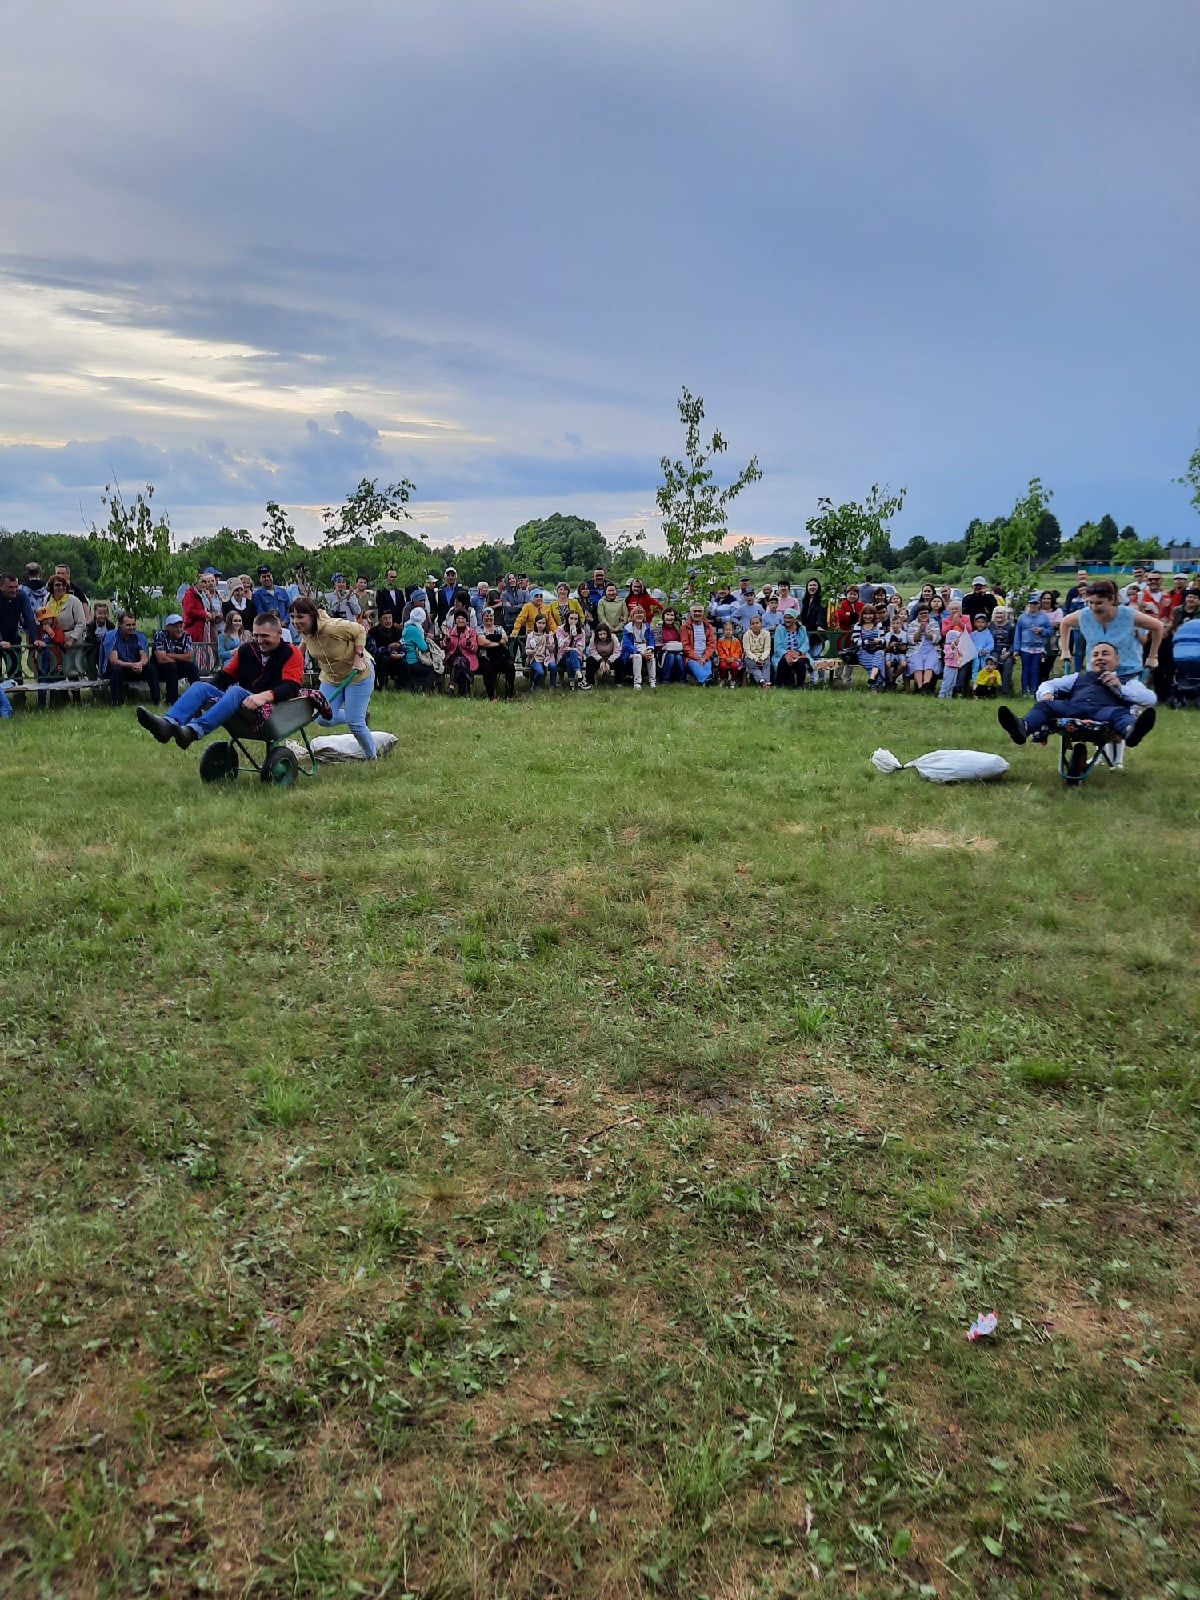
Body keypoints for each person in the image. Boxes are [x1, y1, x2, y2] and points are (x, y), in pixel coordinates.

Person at [136, 610, 302, 748]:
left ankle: (194, 731)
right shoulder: (246, 651)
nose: (259, 641)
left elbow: (291, 686)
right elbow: (224, 678)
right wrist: (202, 699)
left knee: (236, 691)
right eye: (256, 635)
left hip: (272, 705)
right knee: (200, 686)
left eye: (265, 636)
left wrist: (263, 697)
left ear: (279, 633)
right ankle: (167, 724)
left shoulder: (290, 653)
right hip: (244, 702)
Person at [997, 642, 1156, 748]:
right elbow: (1048, 684)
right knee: (1044, 705)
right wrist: (1046, 694)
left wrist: (1120, 688)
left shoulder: (1126, 682)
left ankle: (1131, 732)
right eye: (1095, 655)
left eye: (1105, 654)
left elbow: (1150, 699)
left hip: (1105, 712)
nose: (1099, 658)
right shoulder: (1078, 677)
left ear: (1117, 660)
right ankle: (1022, 728)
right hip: (1074, 708)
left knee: (1120, 713)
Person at [1058, 579, 1163, 687]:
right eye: (1090, 603)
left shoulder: (1128, 615)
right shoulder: (1084, 615)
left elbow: (1158, 626)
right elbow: (1065, 623)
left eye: (1099, 603)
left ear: (1111, 600)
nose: (1094, 608)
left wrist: (1153, 656)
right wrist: (1065, 650)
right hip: (1096, 670)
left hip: (1127, 670)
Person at [108, 613, 160, 706]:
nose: (132, 627)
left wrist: (140, 664)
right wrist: (130, 665)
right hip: (123, 669)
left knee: (151, 668)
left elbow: (144, 657)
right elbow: (114, 660)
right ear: (120, 625)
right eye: (128, 625)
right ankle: (116, 702)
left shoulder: (139, 637)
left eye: (133, 624)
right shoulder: (113, 638)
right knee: (116, 669)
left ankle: (156, 701)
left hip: (137, 668)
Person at [151, 613, 201, 704]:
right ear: (168, 627)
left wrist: (168, 654)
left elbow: (189, 657)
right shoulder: (160, 635)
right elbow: (161, 659)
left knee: (192, 667)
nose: (179, 629)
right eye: (175, 627)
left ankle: (199, 696)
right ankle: (172, 700)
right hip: (160, 668)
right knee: (171, 666)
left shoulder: (186, 636)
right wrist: (180, 657)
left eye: (181, 626)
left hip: (176, 665)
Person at [1013, 594, 1055, 695]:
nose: (1033, 606)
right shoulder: (1022, 618)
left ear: (1038, 605)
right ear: (1028, 604)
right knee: (1025, 670)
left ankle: (1033, 691)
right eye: (1031, 604)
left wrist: (1042, 630)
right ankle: (1024, 691)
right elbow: (1017, 634)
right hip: (1025, 647)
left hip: (1038, 648)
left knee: (1035, 670)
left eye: (1035, 604)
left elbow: (1050, 630)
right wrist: (1016, 648)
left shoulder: (1043, 617)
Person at [0, 573, 37, 678]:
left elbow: (29, 617)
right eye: (10, 587)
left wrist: (35, 639)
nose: (14, 590)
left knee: (15, 669)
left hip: (12, 637)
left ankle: (18, 693)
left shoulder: (21, 595)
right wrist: (1, 641)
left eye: (16, 587)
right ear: (1, 586)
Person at [477, 609, 516, 700]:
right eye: (486, 616)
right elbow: (482, 642)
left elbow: (505, 639)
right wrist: (498, 642)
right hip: (485, 657)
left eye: (491, 616)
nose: (489, 618)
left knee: (510, 666)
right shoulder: (479, 629)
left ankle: (510, 694)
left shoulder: (499, 628)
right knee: (488, 669)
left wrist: (489, 640)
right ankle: (492, 696)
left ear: (494, 618)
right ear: (482, 617)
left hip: (500, 657)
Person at [443, 611, 480, 698]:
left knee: (460, 662)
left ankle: (452, 685)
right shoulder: (450, 631)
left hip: (468, 659)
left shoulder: (471, 632)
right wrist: (447, 639)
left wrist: (468, 643)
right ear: (455, 620)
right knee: (459, 661)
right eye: (458, 618)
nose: (461, 620)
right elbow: (445, 647)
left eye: (463, 618)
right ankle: (467, 687)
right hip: (451, 658)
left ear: (466, 621)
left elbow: (474, 649)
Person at [366, 610, 406, 689]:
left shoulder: (397, 631)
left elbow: (403, 647)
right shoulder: (373, 632)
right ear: (380, 620)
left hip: (395, 657)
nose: (388, 621)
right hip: (379, 659)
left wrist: (400, 654)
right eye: (385, 618)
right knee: (385, 659)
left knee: (404, 663)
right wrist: (388, 649)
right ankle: (380, 685)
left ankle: (401, 687)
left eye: (390, 618)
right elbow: (373, 651)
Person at [772, 608, 811, 688]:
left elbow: (806, 644)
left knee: (800, 663)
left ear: (795, 619)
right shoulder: (779, 629)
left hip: (798, 654)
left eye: (789, 618)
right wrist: (787, 655)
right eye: (785, 618)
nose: (787, 620)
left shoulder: (802, 629)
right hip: (783, 655)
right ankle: (779, 684)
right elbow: (778, 646)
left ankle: (800, 685)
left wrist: (798, 652)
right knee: (783, 662)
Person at [401, 606, 437, 693]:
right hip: (414, 661)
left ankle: (415, 687)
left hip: (406, 659)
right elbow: (424, 647)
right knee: (431, 669)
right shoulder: (416, 630)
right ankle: (425, 690)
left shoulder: (407, 627)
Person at [851, 606, 887, 689]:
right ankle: (874, 683)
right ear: (862, 615)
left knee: (879, 653)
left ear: (874, 615)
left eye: (870, 614)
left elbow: (884, 639)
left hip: (876, 650)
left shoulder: (878, 624)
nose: (867, 616)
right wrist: (867, 641)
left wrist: (878, 641)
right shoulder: (858, 625)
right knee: (878, 665)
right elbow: (856, 641)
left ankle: (872, 678)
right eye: (865, 614)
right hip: (863, 651)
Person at [906, 607, 941, 692]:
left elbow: (936, 638)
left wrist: (926, 631)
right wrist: (920, 630)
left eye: (926, 613)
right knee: (917, 664)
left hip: (931, 648)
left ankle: (926, 683)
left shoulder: (934, 623)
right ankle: (920, 687)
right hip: (916, 649)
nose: (924, 615)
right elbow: (911, 640)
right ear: (917, 615)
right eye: (921, 613)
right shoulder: (913, 624)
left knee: (930, 663)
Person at [622, 605, 658, 689]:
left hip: (644, 649)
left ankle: (652, 681)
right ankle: (637, 683)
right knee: (637, 656)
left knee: (651, 656)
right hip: (631, 652)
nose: (639, 615)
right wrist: (639, 652)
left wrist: (649, 650)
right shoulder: (627, 628)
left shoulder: (647, 627)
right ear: (632, 616)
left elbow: (651, 640)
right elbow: (627, 644)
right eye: (637, 613)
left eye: (641, 613)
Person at [682, 605, 717, 685]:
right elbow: (685, 646)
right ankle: (707, 681)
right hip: (691, 658)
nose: (697, 613)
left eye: (699, 611)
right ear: (691, 613)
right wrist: (697, 658)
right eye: (695, 611)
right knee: (697, 667)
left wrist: (704, 658)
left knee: (706, 666)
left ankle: (704, 681)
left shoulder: (708, 627)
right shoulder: (685, 628)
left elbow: (711, 644)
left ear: (703, 613)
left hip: (705, 657)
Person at [556, 609, 588, 689]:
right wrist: (570, 636)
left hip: (577, 656)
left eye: (575, 619)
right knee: (569, 655)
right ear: (567, 619)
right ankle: (579, 675)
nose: (573, 621)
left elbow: (581, 648)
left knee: (571, 656)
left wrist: (571, 649)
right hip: (562, 656)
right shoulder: (560, 629)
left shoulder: (582, 632)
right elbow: (561, 645)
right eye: (571, 618)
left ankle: (572, 684)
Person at [524, 612, 558, 689]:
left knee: (553, 667)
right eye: (539, 623)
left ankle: (552, 686)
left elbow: (552, 650)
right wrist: (531, 652)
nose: (541, 625)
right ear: (535, 623)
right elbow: (527, 650)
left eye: (543, 623)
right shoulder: (531, 636)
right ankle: (535, 684)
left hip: (547, 657)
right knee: (540, 672)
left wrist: (549, 643)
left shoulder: (548, 635)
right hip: (535, 658)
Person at [989, 607, 1016, 695]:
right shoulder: (990, 625)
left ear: (1005, 615)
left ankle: (1005, 691)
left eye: (1001, 613)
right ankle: (993, 689)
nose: (999, 615)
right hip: (994, 650)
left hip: (1007, 651)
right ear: (994, 615)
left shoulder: (1011, 626)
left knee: (1008, 665)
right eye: (997, 613)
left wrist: (1009, 652)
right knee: (992, 662)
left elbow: (1014, 642)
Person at [742, 612, 772, 687]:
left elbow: (767, 649)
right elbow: (747, 651)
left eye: (757, 623)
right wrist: (756, 659)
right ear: (750, 625)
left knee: (767, 664)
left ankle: (765, 682)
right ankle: (762, 681)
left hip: (763, 655)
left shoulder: (766, 634)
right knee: (753, 665)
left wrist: (762, 658)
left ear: (761, 624)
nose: (755, 625)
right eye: (753, 623)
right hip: (751, 656)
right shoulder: (746, 635)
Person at [657, 607, 686, 684]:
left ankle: (682, 680)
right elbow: (656, 643)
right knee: (671, 656)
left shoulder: (677, 628)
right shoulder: (658, 627)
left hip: (677, 651)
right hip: (662, 651)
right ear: (663, 616)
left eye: (672, 615)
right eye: (667, 614)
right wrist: (665, 646)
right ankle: (665, 680)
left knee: (678, 657)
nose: (669, 617)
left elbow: (682, 641)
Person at [716, 619, 743, 687]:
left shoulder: (736, 640)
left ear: (732, 631)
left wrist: (733, 658)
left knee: (734, 666)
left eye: (729, 630)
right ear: (723, 631)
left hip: (734, 659)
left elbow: (738, 651)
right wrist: (726, 658)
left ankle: (733, 680)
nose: (728, 632)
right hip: (724, 659)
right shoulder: (720, 640)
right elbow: (720, 651)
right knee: (723, 666)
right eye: (726, 630)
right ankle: (723, 679)